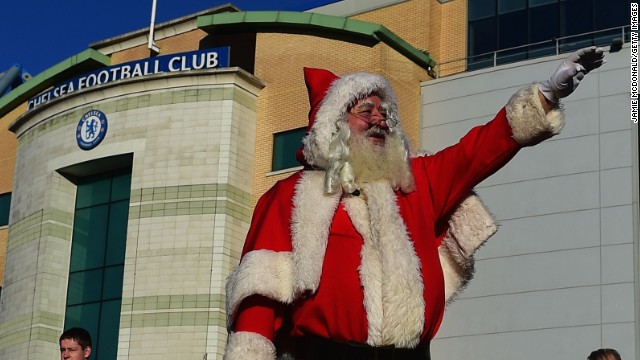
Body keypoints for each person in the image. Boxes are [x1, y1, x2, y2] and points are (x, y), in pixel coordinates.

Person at [223, 47, 605, 359]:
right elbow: (261, 294)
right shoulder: (289, 196)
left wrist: (546, 94)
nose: (379, 120)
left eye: (385, 113)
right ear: (332, 125)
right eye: (365, 111)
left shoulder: (416, 183)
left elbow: (477, 151)